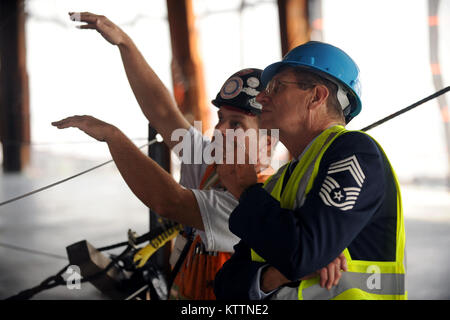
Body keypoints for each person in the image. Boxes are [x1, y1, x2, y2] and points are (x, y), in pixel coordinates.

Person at [52, 14, 346, 299]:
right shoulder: (213, 165)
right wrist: (125, 44)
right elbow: (164, 113)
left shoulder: (258, 199)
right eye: (220, 118)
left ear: (268, 144)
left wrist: (113, 137)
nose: (219, 129)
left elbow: (168, 201)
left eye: (236, 125)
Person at [215, 41, 407, 300]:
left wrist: (247, 190)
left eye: (276, 87)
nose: (261, 97)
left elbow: (304, 253)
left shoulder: (356, 152)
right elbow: (226, 287)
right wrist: (277, 275)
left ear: (316, 96)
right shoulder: (279, 181)